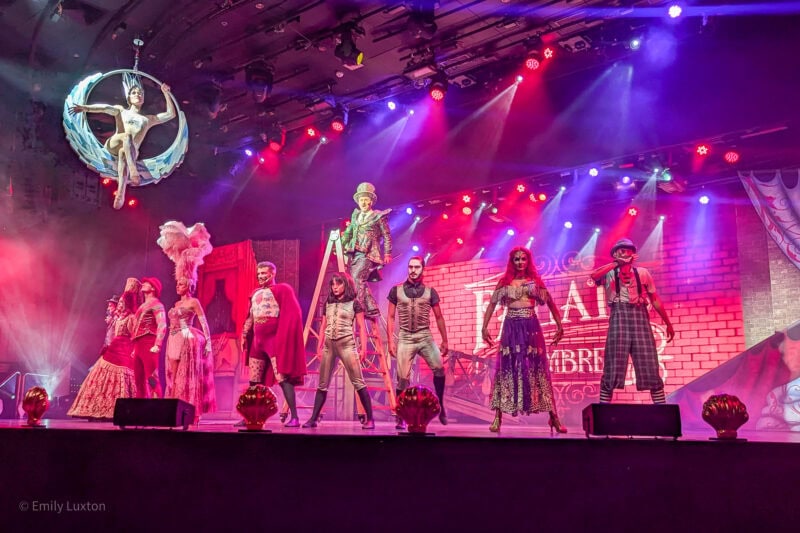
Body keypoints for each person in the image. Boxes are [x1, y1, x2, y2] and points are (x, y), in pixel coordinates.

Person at [481, 247, 565, 434]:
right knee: (506, 368)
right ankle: (497, 417)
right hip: (511, 327)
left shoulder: (534, 281)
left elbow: (550, 302)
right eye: (516, 259)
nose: (520, 262)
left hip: (530, 328)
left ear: (528, 261)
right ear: (512, 261)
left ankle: (554, 417)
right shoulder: (504, 282)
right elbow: (492, 304)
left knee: (538, 368)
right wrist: (484, 327)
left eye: (523, 259)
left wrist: (560, 326)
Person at [68, 75, 176, 209]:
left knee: (123, 153)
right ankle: (133, 169)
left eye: (140, 93)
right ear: (129, 97)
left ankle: (120, 193)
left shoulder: (147, 119)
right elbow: (104, 108)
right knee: (126, 137)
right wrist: (85, 108)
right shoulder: (121, 111)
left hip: (130, 151)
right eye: (134, 93)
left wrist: (166, 93)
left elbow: (171, 114)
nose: (138, 95)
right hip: (115, 142)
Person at [590, 238, 675, 404]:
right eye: (620, 250)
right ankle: (603, 413)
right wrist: (616, 264)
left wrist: (668, 323)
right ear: (614, 254)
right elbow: (594, 276)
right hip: (619, 316)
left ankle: (662, 413)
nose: (624, 252)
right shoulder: (608, 273)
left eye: (627, 250)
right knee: (614, 362)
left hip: (639, 316)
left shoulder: (642, 273)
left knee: (648, 360)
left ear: (633, 254)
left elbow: (655, 298)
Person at [157, 220, 216, 420]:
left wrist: (208, 341)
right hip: (173, 338)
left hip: (187, 337)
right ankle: (172, 409)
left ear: (189, 284)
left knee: (185, 375)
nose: (178, 286)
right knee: (172, 375)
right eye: (177, 283)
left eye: (182, 283)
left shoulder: (193, 302)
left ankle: (188, 411)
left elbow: (204, 323)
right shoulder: (175, 304)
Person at [303, 272, 374, 429]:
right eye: (333, 284)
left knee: (358, 381)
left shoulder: (355, 304)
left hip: (347, 345)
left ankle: (370, 419)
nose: (335, 287)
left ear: (346, 284)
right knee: (323, 384)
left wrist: (363, 348)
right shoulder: (328, 302)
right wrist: (319, 346)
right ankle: (313, 418)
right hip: (329, 345)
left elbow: (362, 327)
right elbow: (323, 325)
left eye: (338, 284)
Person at [241, 261, 306, 427]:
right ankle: (249, 416)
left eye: (264, 273)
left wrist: (284, 336)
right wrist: (244, 335)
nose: (261, 276)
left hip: (273, 341)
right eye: (259, 274)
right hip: (257, 341)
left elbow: (294, 313)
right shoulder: (254, 293)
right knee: (254, 381)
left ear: (272, 274)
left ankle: (295, 417)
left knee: (283, 378)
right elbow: (250, 317)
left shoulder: (282, 289)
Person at [387, 256, 450, 429]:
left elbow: (439, 317)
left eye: (416, 267)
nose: (413, 270)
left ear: (423, 269)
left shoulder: (430, 291)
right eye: (410, 267)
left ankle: (441, 405)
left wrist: (445, 340)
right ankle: (400, 416)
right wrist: (390, 341)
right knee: (402, 378)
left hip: (424, 336)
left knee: (439, 368)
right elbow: (391, 317)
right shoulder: (396, 291)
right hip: (405, 336)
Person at [68, 290, 141, 419]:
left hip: (124, 350)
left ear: (127, 304)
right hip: (113, 348)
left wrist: (134, 351)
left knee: (121, 377)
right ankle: (95, 406)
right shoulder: (119, 318)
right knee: (99, 373)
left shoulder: (130, 318)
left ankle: (119, 409)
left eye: (122, 303)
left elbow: (134, 336)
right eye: (119, 303)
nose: (120, 305)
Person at [340, 182, 393, 321]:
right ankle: (372, 307)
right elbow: (349, 232)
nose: (363, 202)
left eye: (365, 199)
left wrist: (387, 253)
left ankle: (359, 307)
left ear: (371, 201)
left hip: (369, 253)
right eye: (361, 199)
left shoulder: (378, 216)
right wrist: (339, 244)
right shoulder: (356, 216)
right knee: (357, 280)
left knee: (357, 278)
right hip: (355, 252)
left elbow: (387, 235)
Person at [132, 277, 167, 399]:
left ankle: (156, 408)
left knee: (152, 378)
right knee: (138, 381)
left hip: (149, 343)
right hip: (138, 345)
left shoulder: (157, 304)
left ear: (153, 288)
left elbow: (162, 324)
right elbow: (136, 326)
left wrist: (157, 344)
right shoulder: (142, 306)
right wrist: (134, 349)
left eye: (146, 283)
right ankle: (140, 411)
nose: (143, 284)